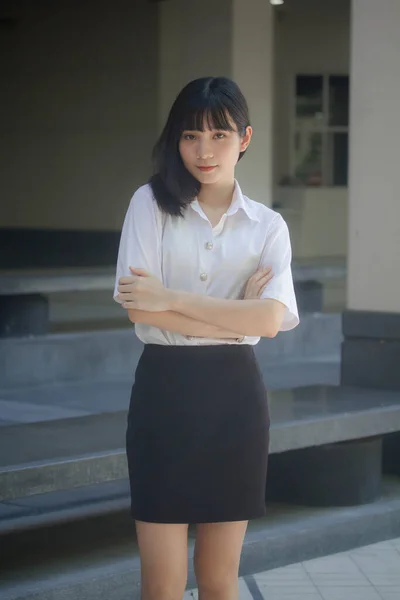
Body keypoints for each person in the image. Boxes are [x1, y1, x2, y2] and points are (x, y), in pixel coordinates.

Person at [114, 76, 299, 600]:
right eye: (190, 135)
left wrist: (172, 299)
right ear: (176, 140)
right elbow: (138, 311)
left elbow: (267, 322)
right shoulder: (148, 205)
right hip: (164, 393)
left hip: (235, 401)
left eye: (219, 135)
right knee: (162, 583)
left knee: (220, 580)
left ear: (244, 138)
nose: (203, 150)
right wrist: (236, 312)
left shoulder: (267, 226)